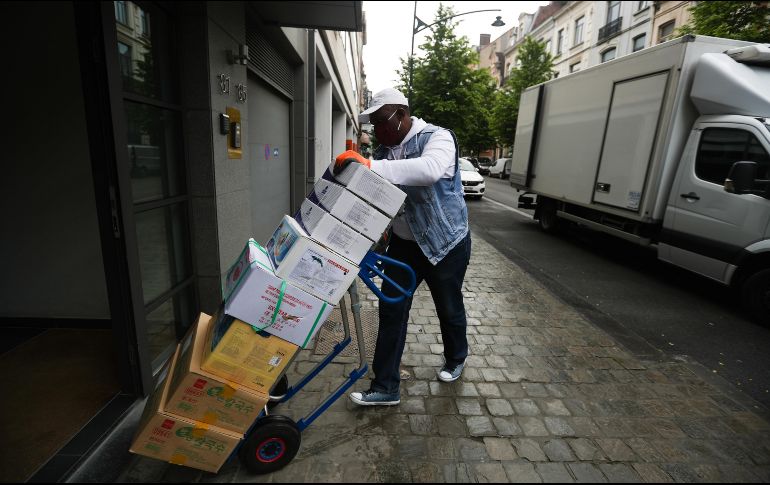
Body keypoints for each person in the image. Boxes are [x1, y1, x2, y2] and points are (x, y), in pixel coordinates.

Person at [333, 87, 472, 406]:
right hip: (404, 246)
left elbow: (429, 171)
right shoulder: (383, 153)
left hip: (445, 244)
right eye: (373, 126)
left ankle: (456, 357)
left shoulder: (438, 138)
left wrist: (368, 166)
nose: (377, 131)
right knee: (392, 310)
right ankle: (385, 386)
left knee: (448, 307)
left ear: (401, 115)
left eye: (382, 123)